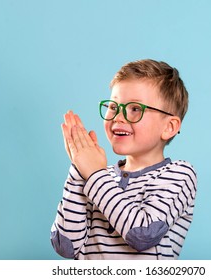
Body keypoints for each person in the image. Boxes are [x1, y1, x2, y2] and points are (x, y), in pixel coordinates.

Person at [50, 59, 197, 260]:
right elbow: (64, 246)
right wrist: (79, 168)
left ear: (169, 127)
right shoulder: (99, 177)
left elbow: (142, 234)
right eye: (113, 106)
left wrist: (94, 174)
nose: (119, 117)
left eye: (135, 109)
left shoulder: (179, 174)